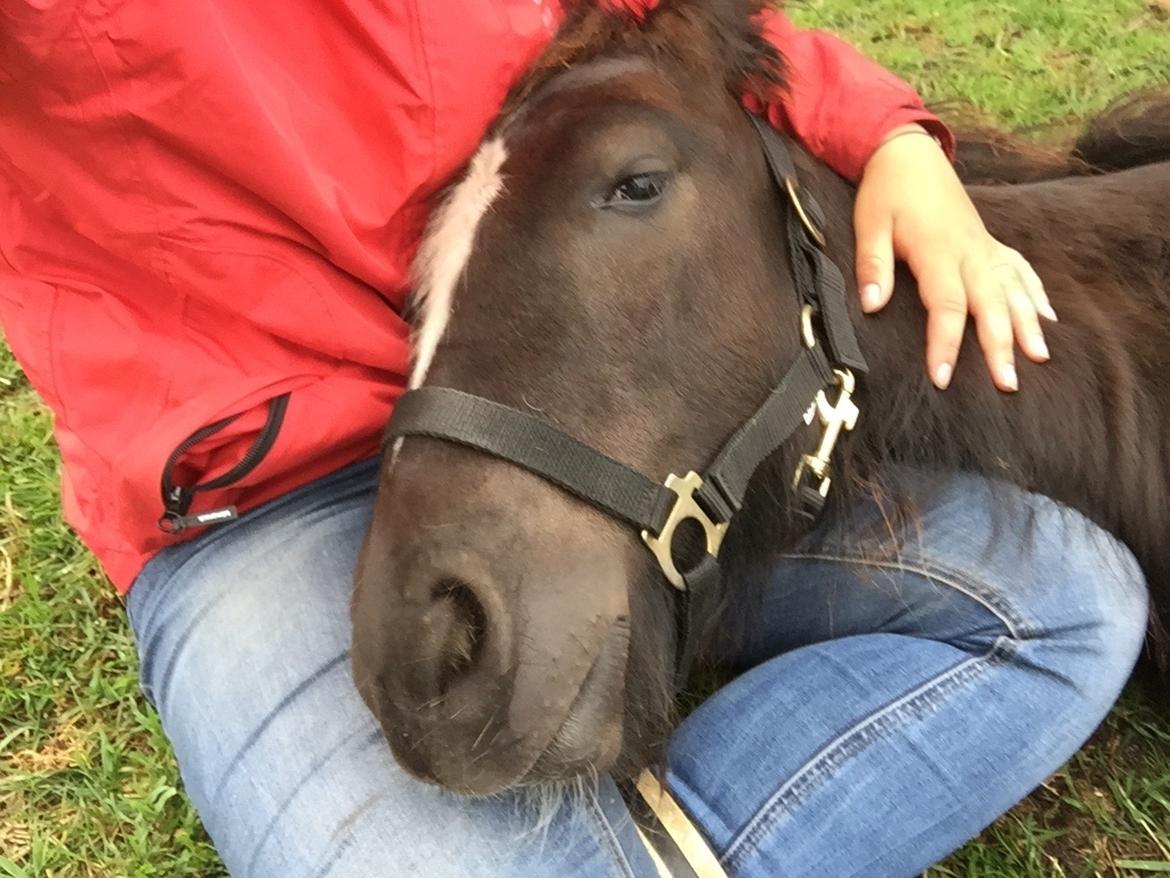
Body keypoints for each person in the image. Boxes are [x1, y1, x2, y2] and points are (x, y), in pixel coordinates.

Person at [0, 1, 1146, 876]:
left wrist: (888, 134)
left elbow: (660, 20)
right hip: (272, 490)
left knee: (1062, 596)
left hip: (548, 375)